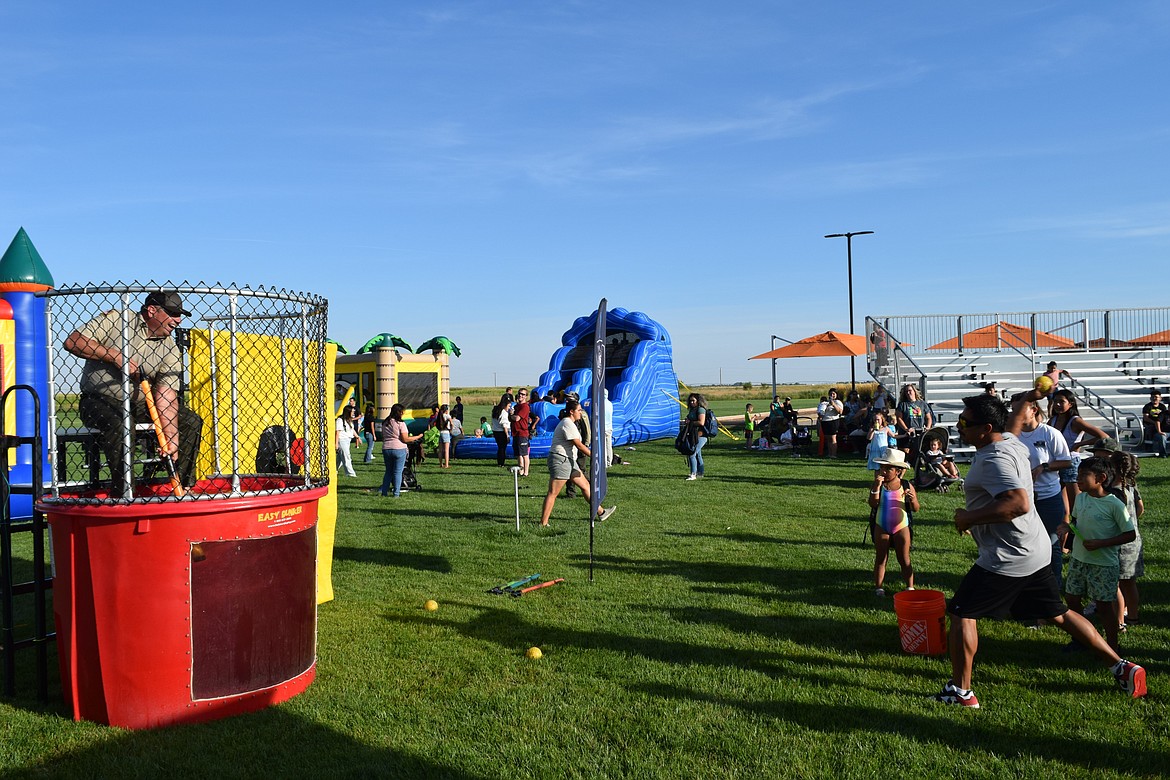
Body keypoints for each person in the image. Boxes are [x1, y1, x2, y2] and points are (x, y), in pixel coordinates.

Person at [935, 391, 1145, 708]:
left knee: (962, 613)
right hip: (1034, 549)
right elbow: (1016, 419)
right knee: (1058, 613)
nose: (959, 426)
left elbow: (1017, 503)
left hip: (1008, 557)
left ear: (985, 427)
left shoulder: (996, 458)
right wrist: (1029, 397)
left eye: (965, 422)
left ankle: (961, 693)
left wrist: (968, 517)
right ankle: (1121, 666)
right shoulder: (1008, 440)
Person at [63, 290, 204, 495]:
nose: (178, 320)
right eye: (173, 313)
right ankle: (123, 492)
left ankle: (181, 486)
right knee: (122, 422)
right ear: (152, 310)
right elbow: (73, 342)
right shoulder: (117, 319)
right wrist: (115, 356)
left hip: (140, 404)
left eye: (179, 315)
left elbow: (166, 395)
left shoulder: (171, 349)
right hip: (98, 400)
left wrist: (171, 436)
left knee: (190, 421)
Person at [1060, 456, 1135, 653]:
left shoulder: (1114, 505)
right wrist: (1067, 528)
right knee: (1071, 598)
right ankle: (1081, 638)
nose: (1078, 479)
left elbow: (1130, 534)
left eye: (1084, 475)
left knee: (1104, 607)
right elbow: (1076, 521)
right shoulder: (1082, 498)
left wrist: (1102, 543)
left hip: (1103, 564)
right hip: (1079, 559)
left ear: (1101, 478)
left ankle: (1112, 646)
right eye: (1078, 475)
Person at [1008, 392, 1072, 587]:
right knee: (1021, 543)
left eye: (1020, 408)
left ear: (1034, 410)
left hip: (1047, 497)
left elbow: (1066, 461)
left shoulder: (1049, 433)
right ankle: (1026, 585)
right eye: (1013, 409)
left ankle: (1054, 585)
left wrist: (1043, 467)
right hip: (1021, 498)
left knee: (1052, 544)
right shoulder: (1011, 436)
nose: (1015, 413)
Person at [538, 398, 615, 527]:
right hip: (561, 459)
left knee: (585, 486)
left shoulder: (571, 423)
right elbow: (578, 445)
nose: (581, 412)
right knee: (553, 493)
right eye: (579, 410)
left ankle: (601, 512)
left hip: (569, 460)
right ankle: (543, 523)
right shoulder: (567, 423)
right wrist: (595, 456)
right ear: (571, 411)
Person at [868, 448, 919, 596]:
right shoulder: (879, 485)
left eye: (888, 468)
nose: (883, 471)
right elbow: (873, 504)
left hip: (901, 526)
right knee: (881, 557)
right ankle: (879, 587)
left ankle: (910, 587)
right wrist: (876, 488)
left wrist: (912, 499)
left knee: (904, 558)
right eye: (881, 467)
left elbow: (916, 509)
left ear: (898, 471)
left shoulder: (906, 486)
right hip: (881, 525)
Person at [1049, 389, 1108, 512]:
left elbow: (1103, 436)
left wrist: (1080, 444)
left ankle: (1079, 524)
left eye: (1061, 401)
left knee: (1076, 502)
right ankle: (1067, 527)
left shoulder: (1075, 421)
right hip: (1057, 462)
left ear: (1070, 404)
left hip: (1070, 462)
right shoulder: (1053, 420)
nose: (1057, 404)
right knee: (1062, 503)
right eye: (1055, 401)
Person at [1106, 449, 1144, 630]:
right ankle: (1133, 617)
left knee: (1115, 585)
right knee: (1129, 583)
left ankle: (1119, 621)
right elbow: (1140, 509)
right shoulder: (1131, 487)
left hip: (1118, 542)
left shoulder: (1112, 492)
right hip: (1134, 541)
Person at [380, 403, 423, 497]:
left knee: (388, 472)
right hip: (399, 449)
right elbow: (405, 439)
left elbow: (383, 437)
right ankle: (396, 493)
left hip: (386, 448)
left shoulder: (385, 422)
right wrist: (418, 436)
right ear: (399, 412)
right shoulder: (401, 423)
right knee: (397, 472)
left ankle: (384, 492)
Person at [895, 384, 932, 455]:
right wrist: (906, 429)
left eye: (910, 391)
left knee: (918, 452)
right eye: (906, 392)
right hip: (906, 433)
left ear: (914, 391)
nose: (908, 393)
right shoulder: (902, 404)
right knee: (905, 452)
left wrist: (928, 427)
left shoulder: (922, 403)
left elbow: (928, 417)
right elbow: (899, 418)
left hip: (919, 431)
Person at [682, 392, 710, 480]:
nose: (691, 402)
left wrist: (690, 422)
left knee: (692, 453)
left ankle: (693, 474)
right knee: (698, 454)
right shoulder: (692, 410)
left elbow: (701, 422)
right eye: (690, 401)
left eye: (693, 401)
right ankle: (700, 473)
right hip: (694, 435)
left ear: (698, 401)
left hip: (701, 435)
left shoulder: (701, 410)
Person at [511, 389, 532, 477]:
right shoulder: (516, 406)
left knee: (524, 454)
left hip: (522, 433)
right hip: (515, 432)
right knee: (518, 454)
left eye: (523, 394)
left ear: (526, 396)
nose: (520, 396)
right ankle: (520, 470)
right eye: (519, 394)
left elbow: (517, 418)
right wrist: (511, 415)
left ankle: (525, 472)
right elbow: (511, 419)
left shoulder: (525, 407)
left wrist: (512, 415)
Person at [1140, 389, 1166, 457]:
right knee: (1150, 428)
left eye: (1156, 397)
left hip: (1160, 424)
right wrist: (1155, 423)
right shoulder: (1147, 406)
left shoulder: (1162, 407)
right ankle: (1148, 446)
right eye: (1153, 397)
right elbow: (1146, 418)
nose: (1154, 398)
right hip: (1149, 424)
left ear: (1160, 398)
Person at [335, 406, 357, 477]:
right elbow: (337, 432)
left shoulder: (349, 420)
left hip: (348, 440)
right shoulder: (340, 420)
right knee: (346, 456)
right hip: (342, 440)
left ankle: (333, 470)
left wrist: (357, 436)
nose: (353, 413)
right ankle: (350, 473)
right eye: (352, 411)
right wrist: (336, 443)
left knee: (340, 459)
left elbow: (351, 429)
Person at [490, 394, 512, 466]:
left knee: (500, 448)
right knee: (502, 448)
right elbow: (504, 425)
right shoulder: (503, 412)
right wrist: (507, 435)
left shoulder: (495, 409)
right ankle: (501, 463)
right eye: (509, 406)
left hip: (495, 431)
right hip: (502, 432)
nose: (509, 408)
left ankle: (500, 462)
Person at [434, 403, 453, 469]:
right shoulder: (447, 416)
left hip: (440, 432)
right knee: (446, 450)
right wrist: (451, 430)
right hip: (446, 432)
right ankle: (447, 465)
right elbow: (451, 423)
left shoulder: (439, 416)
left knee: (440, 450)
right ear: (446, 410)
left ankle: (440, 464)